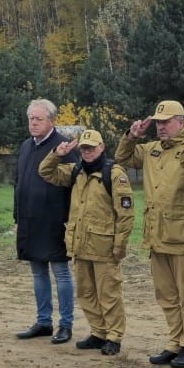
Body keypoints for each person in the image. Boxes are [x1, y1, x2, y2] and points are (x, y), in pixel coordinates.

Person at [115, 101, 184, 368]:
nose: (161, 127)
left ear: (181, 121)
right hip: (157, 235)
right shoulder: (151, 150)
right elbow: (123, 157)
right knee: (166, 295)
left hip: (183, 237)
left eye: (166, 122)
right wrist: (132, 136)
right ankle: (174, 342)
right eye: (158, 122)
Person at [39, 129, 135, 356]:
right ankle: (98, 332)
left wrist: (119, 245)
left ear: (101, 147)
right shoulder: (76, 171)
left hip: (104, 246)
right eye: (84, 148)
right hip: (81, 245)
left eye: (91, 147)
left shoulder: (114, 174)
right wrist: (57, 154)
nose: (87, 152)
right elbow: (45, 171)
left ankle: (113, 336)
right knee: (86, 292)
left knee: (108, 293)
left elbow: (126, 214)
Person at [14, 99, 79, 344]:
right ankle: (43, 321)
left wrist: (70, 220)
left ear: (51, 120)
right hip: (29, 220)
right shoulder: (25, 146)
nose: (33, 123)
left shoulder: (64, 146)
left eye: (38, 119)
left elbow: (74, 186)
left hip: (55, 220)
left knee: (61, 272)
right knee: (37, 272)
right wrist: (17, 218)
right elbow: (18, 185)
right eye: (31, 118)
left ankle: (65, 324)